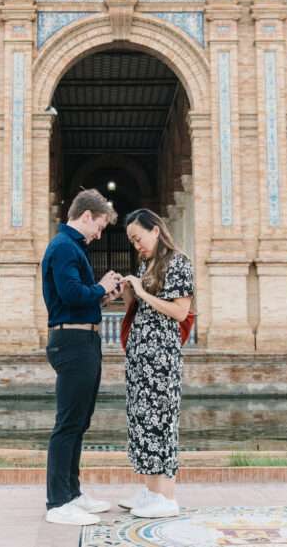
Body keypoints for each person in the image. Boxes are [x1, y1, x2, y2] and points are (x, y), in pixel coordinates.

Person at [41, 189, 123, 526]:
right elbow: (70, 294)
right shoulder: (63, 247)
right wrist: (101, 287)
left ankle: (72, 493)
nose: (100, 234)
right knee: (68, 423)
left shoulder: (73, 248)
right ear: (86, 216)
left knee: (80, 422)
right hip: (71, 341)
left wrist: (103, 298)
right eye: (100, 227)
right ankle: (58, 502)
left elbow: (79, 299)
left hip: (84, 339)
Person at [119, 208, 194, 519]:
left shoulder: (179, 263)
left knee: (160, 421)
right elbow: (138, 309)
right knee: (142, 421)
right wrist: (128, 293)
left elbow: (179, 312)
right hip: (141, 355)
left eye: (139, 238)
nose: (137, 245)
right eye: (133, 241)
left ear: (155, 230)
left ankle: (167, 496)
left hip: (161, 357)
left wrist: (141, 292)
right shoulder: (147, 263)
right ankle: (151, 490)